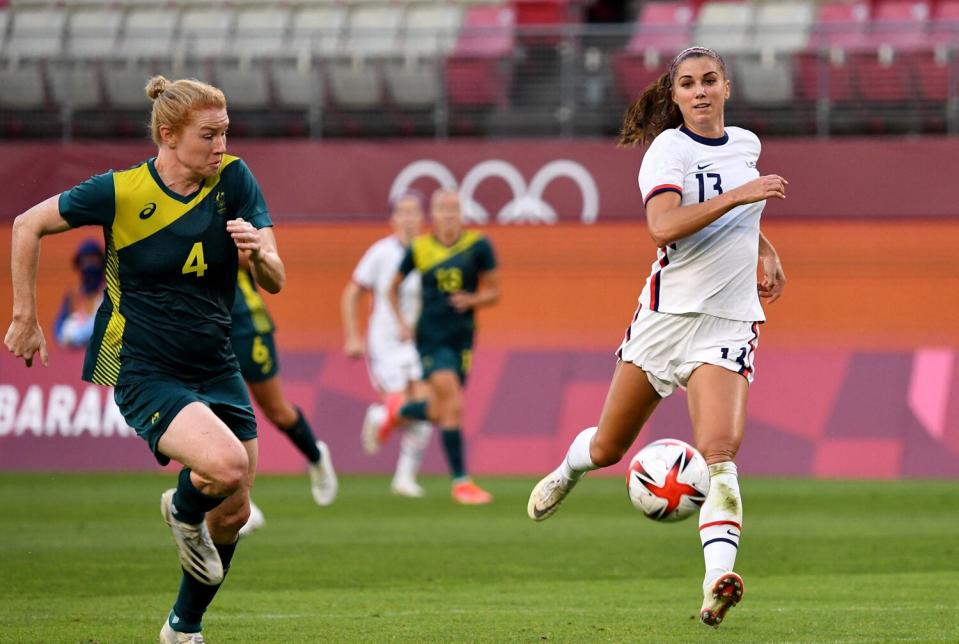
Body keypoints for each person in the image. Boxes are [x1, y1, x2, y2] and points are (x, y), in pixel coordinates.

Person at [5, 75, 284, 644]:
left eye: (225, 133)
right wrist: (25, 315)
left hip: (215, 361)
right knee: (225, 468)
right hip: (144, 365)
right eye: (208, 136)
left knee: (231, 513)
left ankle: (183, 628)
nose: (221, 146)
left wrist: (259, 255)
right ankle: (181, 512)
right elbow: (27, 224)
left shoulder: (235, 180)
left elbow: (275, 278)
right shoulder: (121, 192)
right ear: (167, 135)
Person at [526, 46, 787, 629]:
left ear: (727, 85)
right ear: (673, 95)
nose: (700, 92)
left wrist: (765, 251)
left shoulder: (746, 145)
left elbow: (737, 221)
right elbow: (663, 226)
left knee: (720, 455)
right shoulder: (668, 150)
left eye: (710, 81)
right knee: (608, 448)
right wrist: (743, 196)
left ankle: (714, 584)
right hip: (664, 323)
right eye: (688, 84)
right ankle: (569, 470)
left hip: (727, 324)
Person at [365, 188, 500, 505]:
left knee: (440, 411)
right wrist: (401, 322)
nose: (449, 214)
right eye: (442, 209)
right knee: (453, 403)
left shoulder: (479, 246)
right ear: (434, 216)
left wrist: (473, 299)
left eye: (454, 208)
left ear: (462, 213)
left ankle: (394, 412)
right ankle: (461, 482)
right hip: (430, 339)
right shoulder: (420, 248)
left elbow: (494, 292)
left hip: (462, 338)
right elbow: (392, 287)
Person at [231, 255, 337, 537]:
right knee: (218, 413)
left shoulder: (227, 214)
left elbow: (249, 259)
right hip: (202, 328)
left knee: (277, 410)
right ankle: (242, 504)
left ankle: (316, 455)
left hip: (245, 325)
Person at [341, 190, 432, 498]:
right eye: (403, 212)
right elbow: (352, 292)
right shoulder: (381, 253)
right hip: (385, 343)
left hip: (417, 345)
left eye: (414, 212)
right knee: (403, 405)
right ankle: (380, 417)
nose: (409, 218)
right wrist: (352, 335)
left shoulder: (427, 253)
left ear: (422, 218)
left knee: (426, 409)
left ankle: (404, 479)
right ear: (393, 219)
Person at [52, 238, 105, 348]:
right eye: (85, 259)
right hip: (76, 354)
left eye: (93, 258)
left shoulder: (109, 291)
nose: (89, 263)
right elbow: (58, 329)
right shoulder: (73, 295)